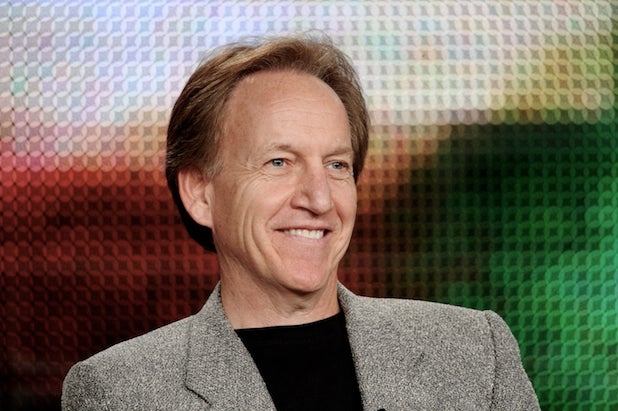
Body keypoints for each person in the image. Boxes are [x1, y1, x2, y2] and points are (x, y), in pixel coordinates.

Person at [62, 34, 540, 410]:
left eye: (337, 165)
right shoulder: (118, 391)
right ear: (200, 193)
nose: (319, 198)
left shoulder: (476, 353)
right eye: (279, 162)